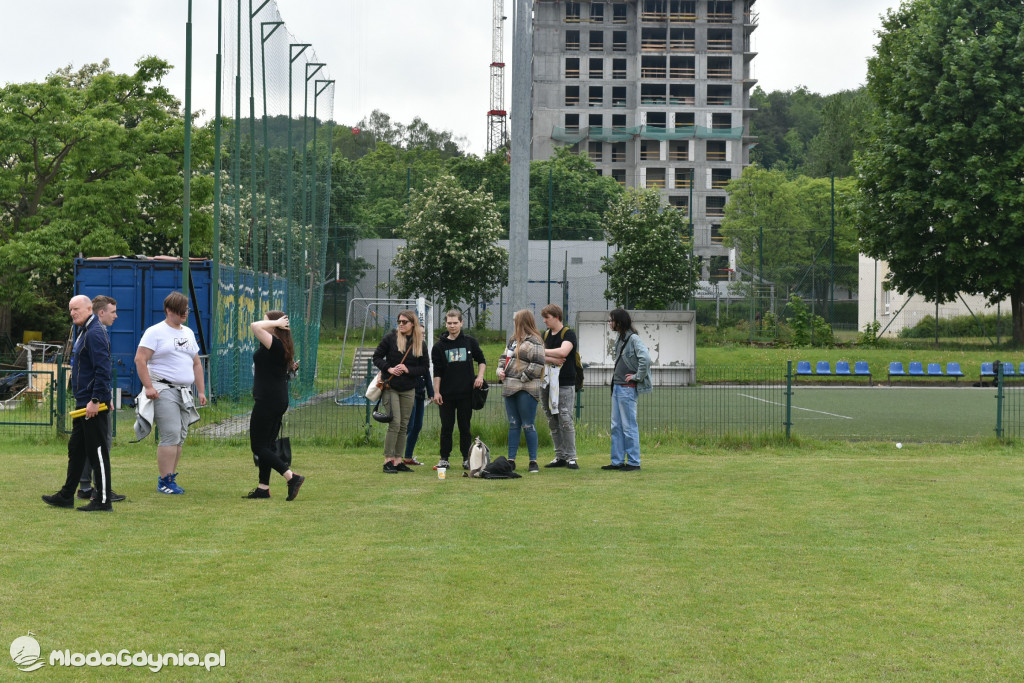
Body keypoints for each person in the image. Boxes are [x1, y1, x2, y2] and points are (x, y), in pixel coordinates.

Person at [42, 295, 115, 511]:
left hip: (92, 404)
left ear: (89, 308)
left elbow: (103, 369)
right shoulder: (83, 330)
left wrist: (97, 399)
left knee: (98, 451)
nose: (73, 313)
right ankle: (66, 495)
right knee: (76, 449)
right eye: (70, 309)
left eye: (77, 309)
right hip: (83, 402)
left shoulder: (95, 332)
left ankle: (103, 500)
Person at [134, 291, 207, 494]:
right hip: (162, 389)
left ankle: (170, 478)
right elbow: (140, 359)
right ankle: (164, 481)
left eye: (186, 309)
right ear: (169, 310)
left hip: (184, 391)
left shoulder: (188, 333)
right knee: (171, 433)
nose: (185, 313)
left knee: (180, 436)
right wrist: (149, 387)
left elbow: (196, 364)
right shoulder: (155, 332)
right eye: (181, 309)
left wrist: (201, 390)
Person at [244, 310, 305, 500]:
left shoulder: (276, 344)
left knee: (258, 446)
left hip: (268, 400)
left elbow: (254, 326)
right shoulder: (279, 345)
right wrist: (275, 323)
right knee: (267, 445)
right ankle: (263, 488)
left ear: (276, 326)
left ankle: (291, 477)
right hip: (276, 399)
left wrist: (275, 322)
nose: (263, 323)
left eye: (266, 320)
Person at [77, 295, 126, 503]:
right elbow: (100, 369)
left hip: (92, 396)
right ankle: (97, 489)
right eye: (113, 312)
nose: (116, 315)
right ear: (101, 312)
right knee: (101, 445)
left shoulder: (85, 331)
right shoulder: (97, 332)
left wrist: (105, 395)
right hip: (92, 399)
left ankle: (86, 487)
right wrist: (97, 398)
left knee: (89, 444)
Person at [373, 310, 429, 474]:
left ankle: (398, 461)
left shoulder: (419, 343)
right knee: (395, 422)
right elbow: (376, 357)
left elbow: (424, 367)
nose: (401, 324)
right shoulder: (390, 338)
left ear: (413, 324)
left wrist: (408, 369)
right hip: (390, 387)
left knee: (404, 425)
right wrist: (388, 368)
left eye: (404, 322)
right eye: (399, 322)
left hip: (409, 388)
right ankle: (387, 461)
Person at [431, 309, 487, 471]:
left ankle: (466, 458)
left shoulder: (470, 342)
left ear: (461, 323)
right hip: (446, 395)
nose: (452, 326)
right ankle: (444, 458)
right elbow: (437, 372)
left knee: (465, 427)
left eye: (455, 323)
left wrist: (480, 377)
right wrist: (436, 392)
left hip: (466, 394)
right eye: (449, 323)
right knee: (446, 427)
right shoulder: (439, 347)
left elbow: (481, 361)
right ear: (446, 324)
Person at [496, 309, 547, 474]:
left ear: (523, 321)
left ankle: (533, 461)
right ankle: (511, 460)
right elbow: (504, 358)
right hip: (509, 388)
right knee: (513, 424)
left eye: (515, 320)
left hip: (527, 389)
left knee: (528, 424)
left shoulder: (535, 341)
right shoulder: (512, 340)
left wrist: (522, 378)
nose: (513, 323)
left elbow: (538, 364)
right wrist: (500, 371)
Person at [602, 308, 652, 472]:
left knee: (628, 426)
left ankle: (633, 462)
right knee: (616, 426)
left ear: (619, 322)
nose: (609, 323)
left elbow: (645, 358)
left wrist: (637, 376)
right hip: (617, 387)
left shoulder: (633, 338)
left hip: (627, 388)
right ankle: (617, 461)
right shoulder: (621, 338)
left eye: (611, 320)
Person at [540, 304, 579, 470]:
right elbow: (537, 353)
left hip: (564, 383)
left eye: (547, 317)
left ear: (556, 317)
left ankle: (571, 457)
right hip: (546, 383)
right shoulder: (546, 334)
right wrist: (549, 356)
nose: (544, 321)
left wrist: (544, 352)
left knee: (565, 418)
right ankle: (559, 456)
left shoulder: (568, 334)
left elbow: (564, 352)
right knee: (552, 420)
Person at [402, 325, 434, 467]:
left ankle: (408, 457)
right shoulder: (406, 349)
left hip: (420, 392)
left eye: (424, 333)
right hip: (409, 390)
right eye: (420, 333)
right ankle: (395, 456)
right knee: (409, 425)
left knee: (417, 425)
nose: (423, 335)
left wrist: (431, 391)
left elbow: (426, 371)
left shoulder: (423, 348)